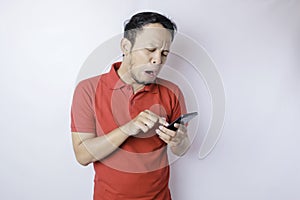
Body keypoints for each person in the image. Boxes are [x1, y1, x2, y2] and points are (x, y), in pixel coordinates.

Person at [71, 11, 190, 200]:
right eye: (150, 49)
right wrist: (128, 128)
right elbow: (83, 156)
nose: (158, 60)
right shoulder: (88, 89)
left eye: (164, 53)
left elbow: (180, 149)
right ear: (126, 46)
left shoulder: (172, 92)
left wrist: (180, 141)